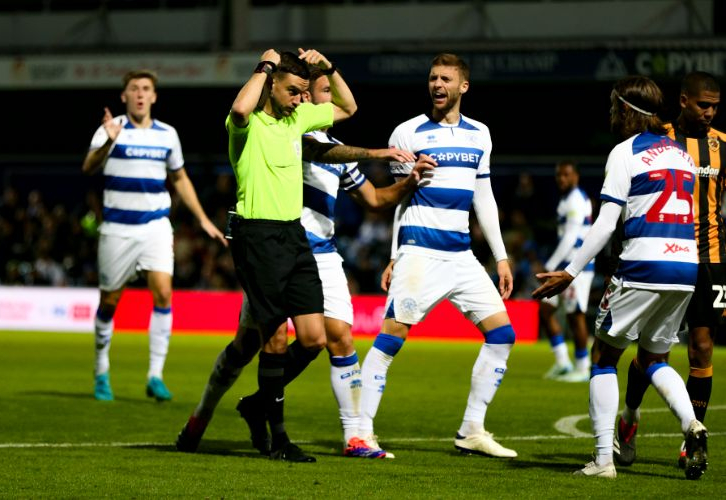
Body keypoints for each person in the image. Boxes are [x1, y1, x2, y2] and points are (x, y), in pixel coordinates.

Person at [174, 66, 435, 459]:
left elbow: (375, 199)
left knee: (333, 338)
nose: (326, 98)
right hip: (272, 249)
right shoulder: (291, 132)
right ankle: (202, 414)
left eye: (327, 90)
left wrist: (410, 181)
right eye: (321, 91)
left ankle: (354, 436)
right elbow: (317, 147)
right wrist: (375, 152)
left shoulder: (338, 152)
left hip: (320, 253)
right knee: (247, 346)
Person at [533, 75, 708, 480]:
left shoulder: (625, 153)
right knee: (654, 358)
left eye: (615, 106)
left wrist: (570, 271)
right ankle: (692, 424)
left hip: (643, 263)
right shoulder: (681, 155)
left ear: (628, 110)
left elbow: (605, 223)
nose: (611, 113)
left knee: (603, 357)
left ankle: (602, 461)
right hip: (685, 266)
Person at [357, 53, 518, 459]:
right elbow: (399, 198)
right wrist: (394, 255)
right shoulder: (407, 133)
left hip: (462, 256)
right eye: (432, 78)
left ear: (464, 86)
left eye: (446, 78)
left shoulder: (480, 134)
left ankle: (472, 430)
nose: (437, 85)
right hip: (420, 253)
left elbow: (484, 197)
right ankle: (360, 432)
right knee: (391, 337)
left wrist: (500, 257)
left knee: (503, 335)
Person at [215, 48, 359, 462]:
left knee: (313, 339)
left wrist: (328, 67)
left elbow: (349, 107)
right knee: (276, 337)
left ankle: (257, 404)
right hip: (256, 235)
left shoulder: (298, 120)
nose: (301, 99)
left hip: (294, 235)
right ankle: (278, 439)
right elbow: (240, 107)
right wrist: (263, 67)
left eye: (304, 92)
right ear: (272, 84)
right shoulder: (246, 126)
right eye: (293, 91)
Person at [82, 69, 226, 402]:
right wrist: (109, 141)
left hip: (155, 227)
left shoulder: (167, 134)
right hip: (117, 229)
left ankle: (155, 376)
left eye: (146, 88)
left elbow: (180, 178)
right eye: (134, 88)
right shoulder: (111, 128)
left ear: (154, 96)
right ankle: (101, 370)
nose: (140, 94)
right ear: (124, 96)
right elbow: (88, 167)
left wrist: (202, 219)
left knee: (163, 293)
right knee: (110, 301)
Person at [614, 71, 724, 470]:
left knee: (703, 346)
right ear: (683, 101)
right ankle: (630, 417)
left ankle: (689, 441)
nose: (710, 113)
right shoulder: (658, 139)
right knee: (649, 350)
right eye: (703, 105)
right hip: (664, 252)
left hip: (710, 258)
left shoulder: (723, 145)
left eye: (715, 107)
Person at [538, 160, 593, 382]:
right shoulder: (567, 198)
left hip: (576, 267)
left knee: (575, 315)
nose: (562, 178)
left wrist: (550, 265)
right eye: (559, 175)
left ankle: (582, 366)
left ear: (576, 176)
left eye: (566, 174)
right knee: (545, 310)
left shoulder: (576, 200)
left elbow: (571, 237)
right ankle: (562, 363)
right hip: (565, 266)